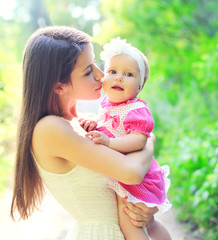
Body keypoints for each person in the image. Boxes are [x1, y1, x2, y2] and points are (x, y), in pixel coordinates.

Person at [10, 26, 158, 240]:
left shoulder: (84, 123)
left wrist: (146, 212)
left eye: (97, 65)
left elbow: (125, 186)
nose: (101, 76)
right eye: (88, 71)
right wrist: (149, 138)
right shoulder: (50, 129)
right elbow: (132, 173)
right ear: (59, 86)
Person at [80, 38, 172, 240]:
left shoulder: (137, 110)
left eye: (128, 74)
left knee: (129, 220)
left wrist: (109, 142)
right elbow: (109, 124)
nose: (118, 78)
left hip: (140, 178)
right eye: (112, 71)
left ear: (139, 87)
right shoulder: (107, 104)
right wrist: (95, 122)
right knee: (149, 223)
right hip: (127, 171)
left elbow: (138, 140)